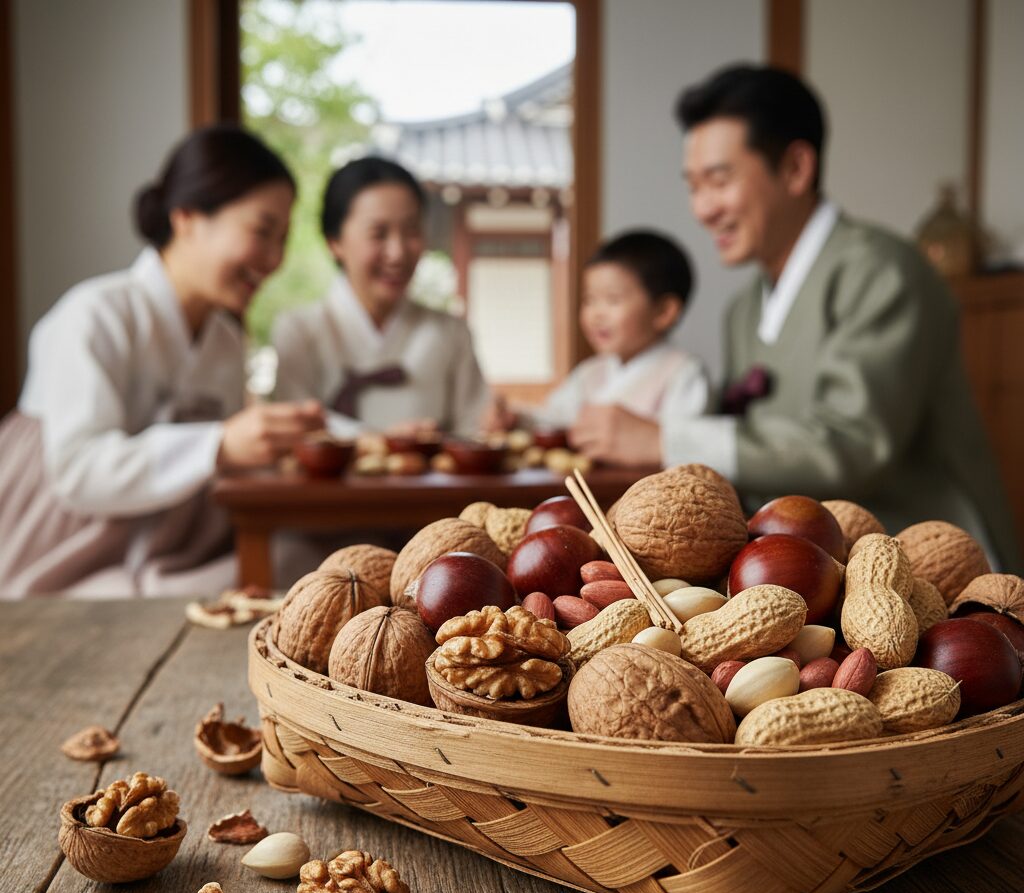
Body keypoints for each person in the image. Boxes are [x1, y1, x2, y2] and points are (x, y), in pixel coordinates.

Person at [596, 63, 1020, 570]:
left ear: (796, 168)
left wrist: (665, 437)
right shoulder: (745, 307)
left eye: (719, 180)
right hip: (809, 561)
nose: (703, 208)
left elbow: (852, 446)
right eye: (694, 186)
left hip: (922, 557)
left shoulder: (885, 270)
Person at [0, 125, 324, 597]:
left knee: (311, 563)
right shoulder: (95, 313)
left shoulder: (224, 340)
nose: (274, 259)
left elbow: (224, 463)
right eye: (262, 231)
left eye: (283, 240)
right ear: (187, 216)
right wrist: (219, 445)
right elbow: (77, 471)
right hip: (63, 548)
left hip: (169, 545)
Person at [271, 156, 489, 438]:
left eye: (412, 230)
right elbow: (295, 436)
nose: (397, 253)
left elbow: (476, 432)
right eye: (378, 233)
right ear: (335, 242)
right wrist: (382, 443)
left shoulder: (451, 332)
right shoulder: (300, 331)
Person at [485, 229, 711, 464]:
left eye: (612, 300)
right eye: (589, 300)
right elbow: (556, 419)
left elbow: (686, 449)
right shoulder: (589, 373)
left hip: (649, 498)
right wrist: (517, 419)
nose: (596, 314)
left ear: (664, 311)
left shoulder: (683, 373)